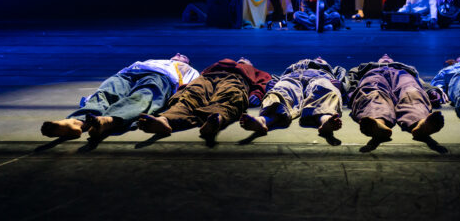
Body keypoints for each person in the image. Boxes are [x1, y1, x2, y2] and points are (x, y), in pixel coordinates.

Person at [40, 53, 199, 140]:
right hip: (129, 74)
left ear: (187, 61)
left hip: (162, 78)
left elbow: (189, 89)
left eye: (183, 55)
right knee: (106, 93)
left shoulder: (190, 70)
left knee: (142, 97)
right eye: (177, 54)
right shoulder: (155, 60)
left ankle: (107, 121)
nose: (179, 54)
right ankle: (76, 122)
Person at [138, 57, 271, 144]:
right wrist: (185, 88)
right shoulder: (218, 64)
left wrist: (257, 93)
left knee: (230, 96)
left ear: (251, 64)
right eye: (241, 58)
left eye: (246, 59)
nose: (242, 58)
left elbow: (265, 82)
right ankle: (164, 120)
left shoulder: (254, 70)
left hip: (235, 79)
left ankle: (215, 120)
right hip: (206, 78)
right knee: (191, 96)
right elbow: (195, 78)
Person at [346, 54, 445, 143]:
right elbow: (353, 78)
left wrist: (431, 90)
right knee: (373, 91)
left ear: (392, 60)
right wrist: (352, 91)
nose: (386, 55)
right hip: (374, 73)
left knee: (411, 91)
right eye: (383, 57)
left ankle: (421, 123)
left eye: (388, 57)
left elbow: (419, 82)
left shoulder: (406, 68)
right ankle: (378, 123)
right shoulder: (365, 67)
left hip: (401, 74)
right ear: (378, 61)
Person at [241, 57, 345, 138]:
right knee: (281, 89)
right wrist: (272, 84)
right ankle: (264, 120)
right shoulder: (293, 68)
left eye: (321, 59)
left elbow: (345, 80)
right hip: (292, 77)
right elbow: (273, 80)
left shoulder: (332, 69)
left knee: (324, 87)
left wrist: (341, 85)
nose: (318, 57)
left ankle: (325, 119)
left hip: (319, 76)